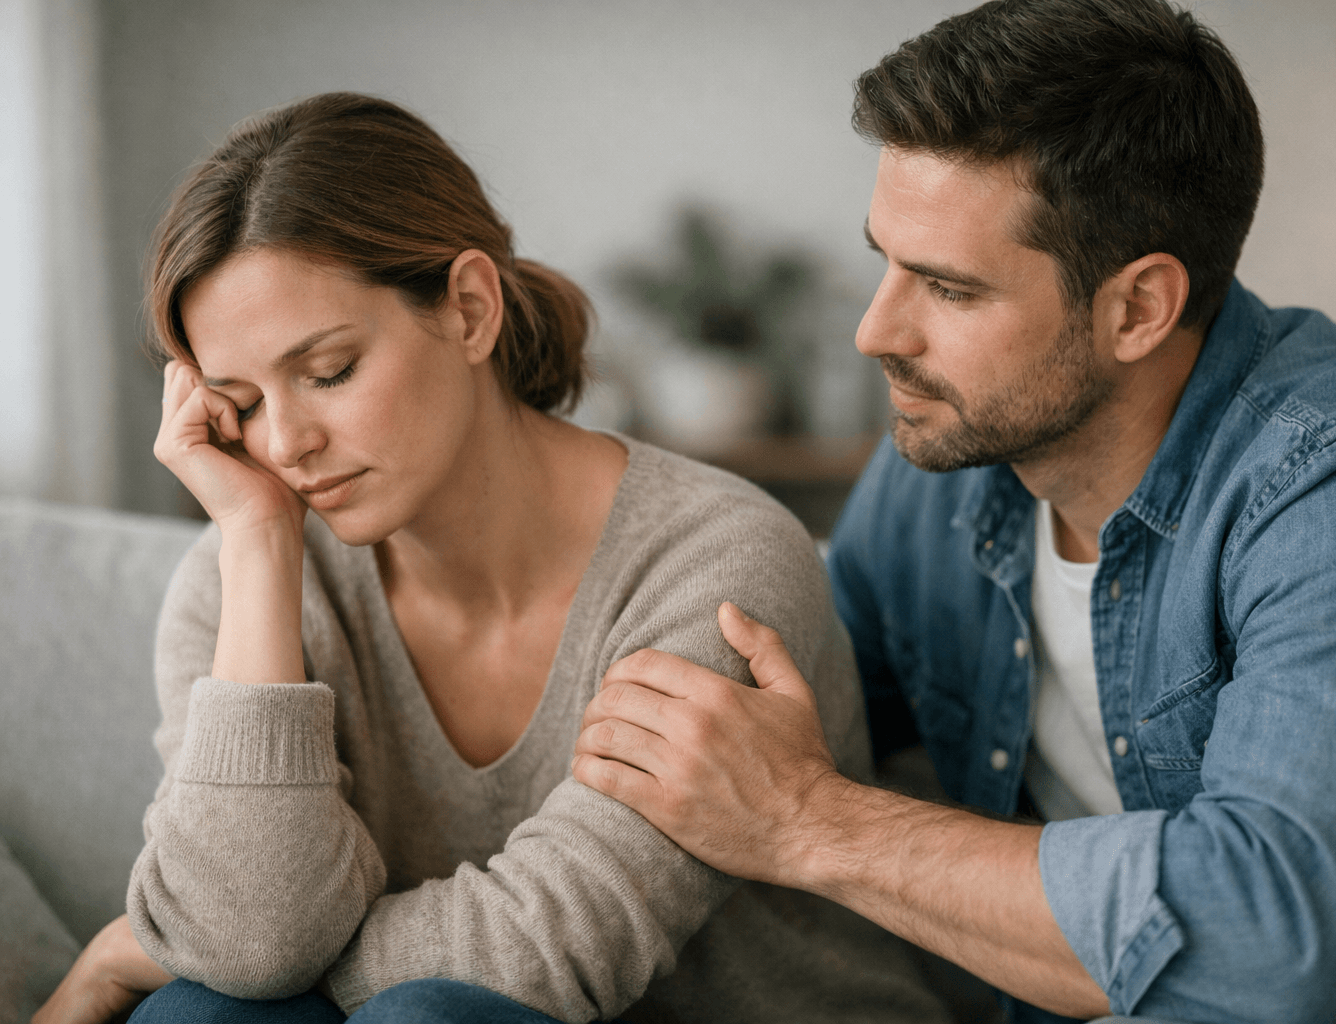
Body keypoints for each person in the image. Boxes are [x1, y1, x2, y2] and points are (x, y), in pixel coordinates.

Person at [571, 2, 1336, 1023]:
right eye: (885, 260)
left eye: (948, 289)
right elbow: (796, 712)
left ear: (1138, 308)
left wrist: (809, 820)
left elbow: (1268, 945)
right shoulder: (946, 459)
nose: (875, 331)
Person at [32, 92, 957, 1024]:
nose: (285, 444)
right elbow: (248, 941)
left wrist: (182, 949)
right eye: (242, 402)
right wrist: (261, 544)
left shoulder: (713, 564)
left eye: (329, 372)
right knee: (201, 1015)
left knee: (416, 1017)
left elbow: (548, 948)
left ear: (470, 309)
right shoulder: (242, 576)